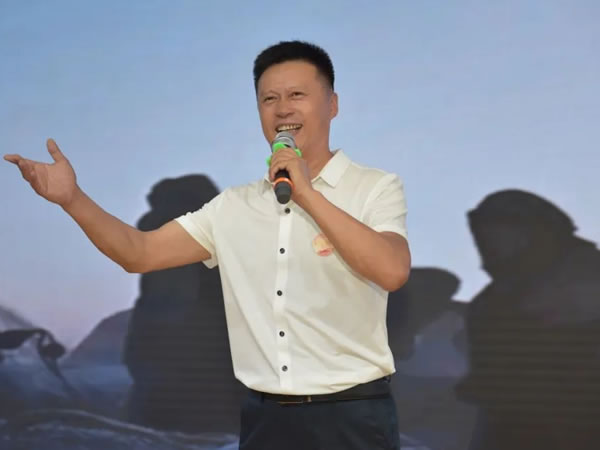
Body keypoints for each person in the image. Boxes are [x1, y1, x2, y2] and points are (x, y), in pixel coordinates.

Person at [4, 40, 411, 449]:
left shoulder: (374, 187)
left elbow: (392, 270)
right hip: (266, 418)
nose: (282, 109)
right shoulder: (233, 206)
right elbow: (138, 253)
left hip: (352, 414)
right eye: (269, 99)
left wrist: (307, 194)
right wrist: (72, 199)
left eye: (297, 95)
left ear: (332, 104)